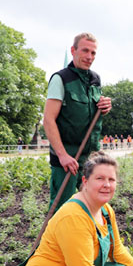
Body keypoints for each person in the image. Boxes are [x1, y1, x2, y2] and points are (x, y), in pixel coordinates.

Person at [43, 32, 112, 212]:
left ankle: (85, 240)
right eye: (85, 51)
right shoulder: (61, 79)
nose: (89, 57)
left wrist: (104, 107)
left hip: (90, 156)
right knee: (61, 209)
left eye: (93, 53)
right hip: (67, 156)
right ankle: (52, 241)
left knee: (92, 205)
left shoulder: (95, 80)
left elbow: (94, 113)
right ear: (73, 51)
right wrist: (63, 155)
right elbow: (48, 120)